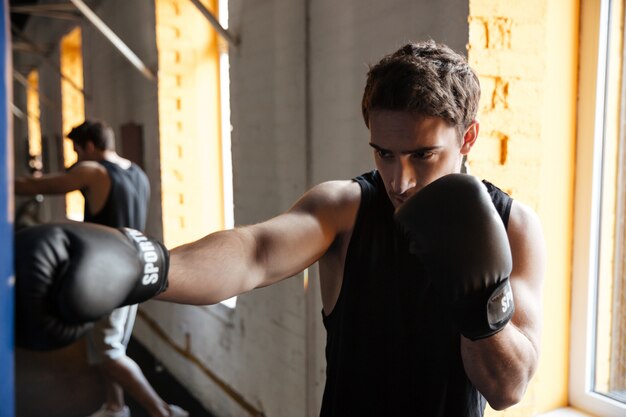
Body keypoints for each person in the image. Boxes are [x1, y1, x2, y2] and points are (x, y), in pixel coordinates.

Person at [15, 40, 546, 417]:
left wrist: (483, 311)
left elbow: (508, 389)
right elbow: (254, 253)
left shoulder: (513, 225)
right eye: (384, 153)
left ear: (468, 137)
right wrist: (146, 264)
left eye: (422, 155)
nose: (400, 179)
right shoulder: (347, 206)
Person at [14, 120, 188, 417]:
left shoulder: (93, 171)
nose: (77, 158)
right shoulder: (136, 172)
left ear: (90, 146)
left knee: (108, 352)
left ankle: (162, 412)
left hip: (106, 273)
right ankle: (115, 406)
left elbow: (35, 186)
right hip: (139, 267)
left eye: (78, 150)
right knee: (111, 346)